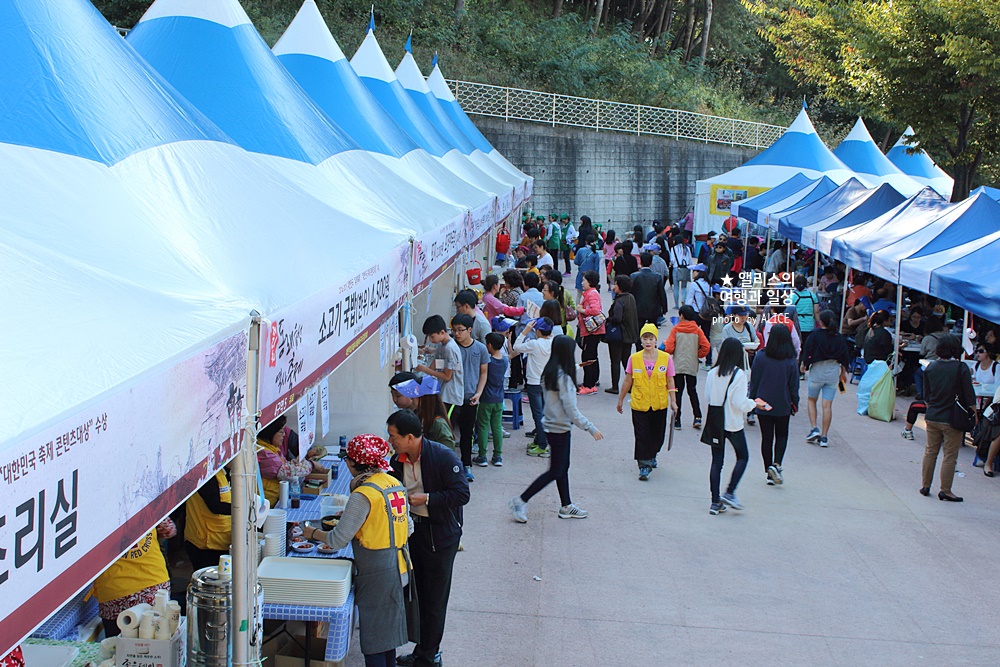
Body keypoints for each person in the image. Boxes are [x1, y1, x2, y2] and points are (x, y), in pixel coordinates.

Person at [302, 435, 410, 667]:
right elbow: (407, 526)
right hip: (400, 564)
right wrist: (362, 519)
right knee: (386, 634)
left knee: (373, 639)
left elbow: (337, 540)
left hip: (378, 572)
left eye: (347, 460)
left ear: (353, 463)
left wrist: (312, 533)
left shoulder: (363, 494)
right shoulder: (393, 482)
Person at [387, 410, 469, 667]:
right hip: (413, 533)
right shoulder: (397, 460)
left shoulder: (442, 457)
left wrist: (428, 498)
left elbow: (462, 494)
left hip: (440, 537)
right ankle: (423, 650)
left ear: (410, 438)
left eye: (393, 436)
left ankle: (429, 655)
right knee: (418, 594)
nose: (390, 441)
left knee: (434, 598)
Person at [508, 335, 604, 522]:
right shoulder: (564, 379)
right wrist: (590, 428)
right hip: (560, 429)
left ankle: (566, 505)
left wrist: (580, 366)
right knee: (556, 470)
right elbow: (572, 410)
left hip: (552, 427)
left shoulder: (550, 372)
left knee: (562, 468)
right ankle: (520, 500)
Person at [704, 338, 772, 515]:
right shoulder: (739, 374)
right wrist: (755, 404)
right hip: (733, 423)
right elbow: (739, 403)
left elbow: (707, 397)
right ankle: (730, 491)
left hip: (716, 422)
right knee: (743, 456)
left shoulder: (712, 373)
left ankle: (715, 502)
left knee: (716, 462)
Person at [617, 324, 677, 480]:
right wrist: (620, 399)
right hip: (640, 404)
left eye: (651, 338)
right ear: (641, 340)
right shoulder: (634, 358)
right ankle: (644, 465)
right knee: (642, 435)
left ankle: (652, 454)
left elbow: (670, 380)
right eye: (645, 338)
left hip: (659, 404)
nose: (648, 342)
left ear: (656, 340)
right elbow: (628, 380)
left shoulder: (666, 358)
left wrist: (673, 400)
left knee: (657, 435)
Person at [920, 335, 976, 501]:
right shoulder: (961, 368)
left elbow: (926, 395)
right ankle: (945, 490)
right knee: (950, 456)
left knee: (930, 452)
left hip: (932, 415)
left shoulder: (931, 367)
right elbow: (969, 395)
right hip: (952, 418)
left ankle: (925, 485)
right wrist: (974, 414)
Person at [93, 522, 173, 637]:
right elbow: (169, 530)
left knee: (117, 644)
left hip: (116, 589)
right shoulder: (145, 510)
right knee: (157, 640)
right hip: (154, 582)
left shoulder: (93, 516)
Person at [748, 323, 799, 486]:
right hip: (783, 402)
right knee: (782, 435)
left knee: (767, 437)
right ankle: (777, 464)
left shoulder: (761, 356)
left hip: (763, 402)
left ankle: (768, 470)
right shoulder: (791, 359)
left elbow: (754, 380)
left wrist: (752, 399)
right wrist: (795, 402)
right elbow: (794, 385)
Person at [801, 310, 851, 448]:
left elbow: (807, 350)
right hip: (833, 373)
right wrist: (843, 372)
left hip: (817, 371)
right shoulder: (839, 337)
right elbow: (845, 356)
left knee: (812, 400)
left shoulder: (815, 334)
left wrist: (804, 364)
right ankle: (824, 437)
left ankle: (814, 428)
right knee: (827, 406)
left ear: (821, 321)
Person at [451, 313, 489, 481]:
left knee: (467, 433)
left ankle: (466, 465)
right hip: (451, 397)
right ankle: (449, 467)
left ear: (470, 330)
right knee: (447, 433)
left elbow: (484, 373)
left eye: (460, 330)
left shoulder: (480, 348)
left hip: (470, 397)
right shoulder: (450, 347)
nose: (457, 333)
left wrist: (478, 393)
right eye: (454, 330)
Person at [512, 317, 555, 457]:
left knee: (538, 415)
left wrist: (524, 332)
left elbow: (516, 347)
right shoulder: (552, 342)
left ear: (538, 331)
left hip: (534, 383)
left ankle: (543, 445)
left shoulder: (534, 344)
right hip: (547, 383)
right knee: (543, 413)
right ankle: (538, 440)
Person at [663, 304, 710, 430]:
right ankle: (697, 416)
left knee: (678, 392)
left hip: (678, 365)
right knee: (692, 390)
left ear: (682, 316)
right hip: (691, 365)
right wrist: (697, 354)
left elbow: (669, 348)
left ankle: (677, 420)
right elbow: (706, 346)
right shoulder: (697, 330)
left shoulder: (676, 329)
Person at [389, 373, 456, 451]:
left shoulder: (439, 424)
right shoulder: (417, 416)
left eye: (414, 397)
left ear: (424, 399)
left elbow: (448, 454)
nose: (412, 399)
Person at [184, 467, 232, 572]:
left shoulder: (221, 471)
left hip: (221, 539)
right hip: (206, 543)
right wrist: (242, 509)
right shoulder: (205, 475)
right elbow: (215, 506)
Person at [414, 315, 463, 416]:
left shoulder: (449, 348)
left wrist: (424, 369)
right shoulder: (441, 344)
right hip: (443, 393)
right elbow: (436, 363)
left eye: (432, 337)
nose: (431, 340)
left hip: (451, 396)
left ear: (442, 332)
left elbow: (447, 376)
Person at [474, 333, 510, 467]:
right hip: (499, 398)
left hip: (486, 398)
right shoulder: (504, 361)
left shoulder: (488, 362)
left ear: (489, 345)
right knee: (497, 427)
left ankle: (482, 456)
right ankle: (497, 456)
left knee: (483, 426)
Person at [605, 275, 640, 394]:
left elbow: (617, 318)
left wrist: (608, 319)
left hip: (618, 335)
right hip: (629, 335)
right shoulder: (631, 297)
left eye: (615, 284)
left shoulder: (619, 301)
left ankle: (615, 386)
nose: (613, 286)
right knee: (626, 360)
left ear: (620, 286)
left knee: (615, 361)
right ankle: (631, 385)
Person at [575, 271, 605, 394]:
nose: (582, 283)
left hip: (591, 332)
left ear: (590, 282)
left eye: (584, 280)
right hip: (592, 331)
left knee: (588, 357)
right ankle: (592, 381)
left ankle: (589, 385)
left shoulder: (592, 294)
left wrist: (581, 310)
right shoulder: (591, 293)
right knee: (592, 356)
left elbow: (595, 310)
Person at [256, 416, 288, 506]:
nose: (284, 435)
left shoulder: (272, 448)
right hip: (267, 503)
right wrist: (312, 465)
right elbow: (287, 472)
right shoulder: (263, 453)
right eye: (281, 431)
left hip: (275, 498)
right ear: (270, 432)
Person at [630, 252, 667, 328]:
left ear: (640, 262)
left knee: (639, 329)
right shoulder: (657, 277)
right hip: (653, 308)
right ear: (651, 263)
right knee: (652, 330)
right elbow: (662, 294)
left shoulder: (633, 276)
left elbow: (631, 293)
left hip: (638, 308)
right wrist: (664, 308)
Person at [791, 275, 820, 353]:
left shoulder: (792, 296)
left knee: (796, 348)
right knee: (807, 349)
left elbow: (788, 311)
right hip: (810, 326)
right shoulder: (812, 296)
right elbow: (816, 312)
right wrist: (819, 323)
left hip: (796, 326)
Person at [574, 233, 602, 302]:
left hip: (581, 274)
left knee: (578, 295)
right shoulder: (595, 253)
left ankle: (578, 308)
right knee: (589, 295)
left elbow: (576, 261)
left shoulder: (580, 250)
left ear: (586, 242)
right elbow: (596, 268)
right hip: (591, 277)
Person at [668, 235, 693, 308]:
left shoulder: (673, 249)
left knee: (676, 287)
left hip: (676, 268)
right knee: (684, 287)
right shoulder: (687, 248)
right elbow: (690, 260)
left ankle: (676, 305)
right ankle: (684, 300)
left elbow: (672, 260)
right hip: (685, 268)